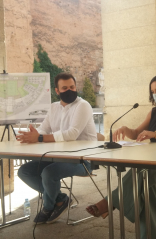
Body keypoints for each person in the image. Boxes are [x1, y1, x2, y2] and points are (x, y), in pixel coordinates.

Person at [85, 73, 156, 239]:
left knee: (143, 175)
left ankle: (111, 200)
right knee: (144, 183)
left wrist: (155, 134)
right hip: (155, 162)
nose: (155, 94)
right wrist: (125, 129)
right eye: (153, 91)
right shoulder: (154, 112)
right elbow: (136, 133)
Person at [17, 72, 97, 224]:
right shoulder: (53, 108)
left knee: (49, 173)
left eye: (72, 87)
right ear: (57, 91)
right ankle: (60, 199)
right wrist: (34, 134)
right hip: (57, 156)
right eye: (65, 88)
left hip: (84, 160)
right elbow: (44, 129)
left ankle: (47, 207)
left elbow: (72, 134)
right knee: (24, 171)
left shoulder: (83, 105)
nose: (70, 90)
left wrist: (39, 138)